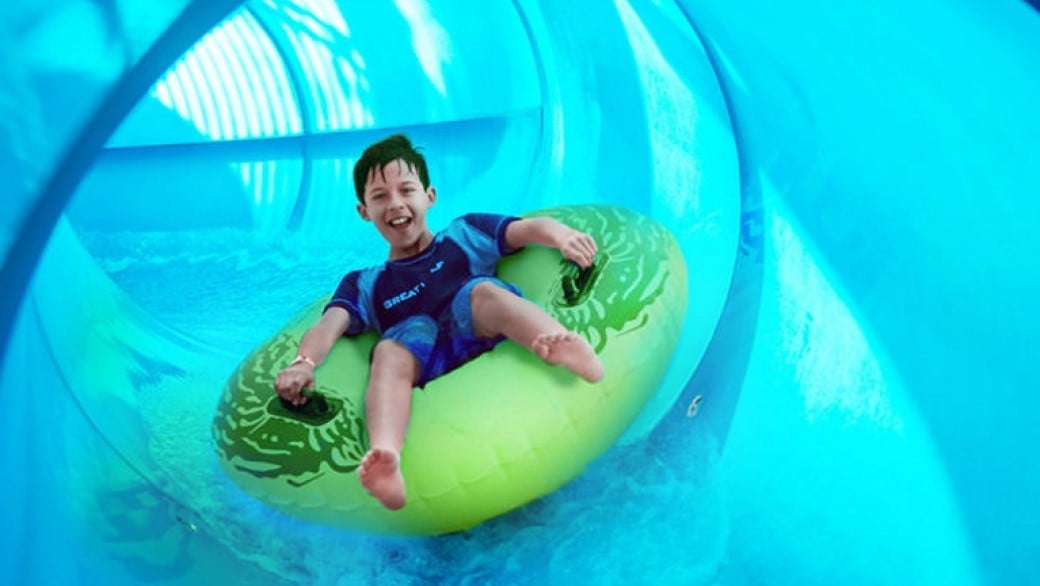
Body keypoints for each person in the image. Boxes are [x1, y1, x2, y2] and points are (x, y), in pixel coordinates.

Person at [274, 134, 604, 511]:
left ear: (429, 196)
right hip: (421, 353)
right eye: (379, 196)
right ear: (364, 211)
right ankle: (386, 456)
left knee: (482, 292)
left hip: (476, 324)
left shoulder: (464, 234)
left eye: (406, 190)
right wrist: (303, 364)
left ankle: (555, 341)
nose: (395, 204)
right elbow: (328, 326)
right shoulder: (364, 283)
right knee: (390, 349)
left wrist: (564, 237)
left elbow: (527, 229)